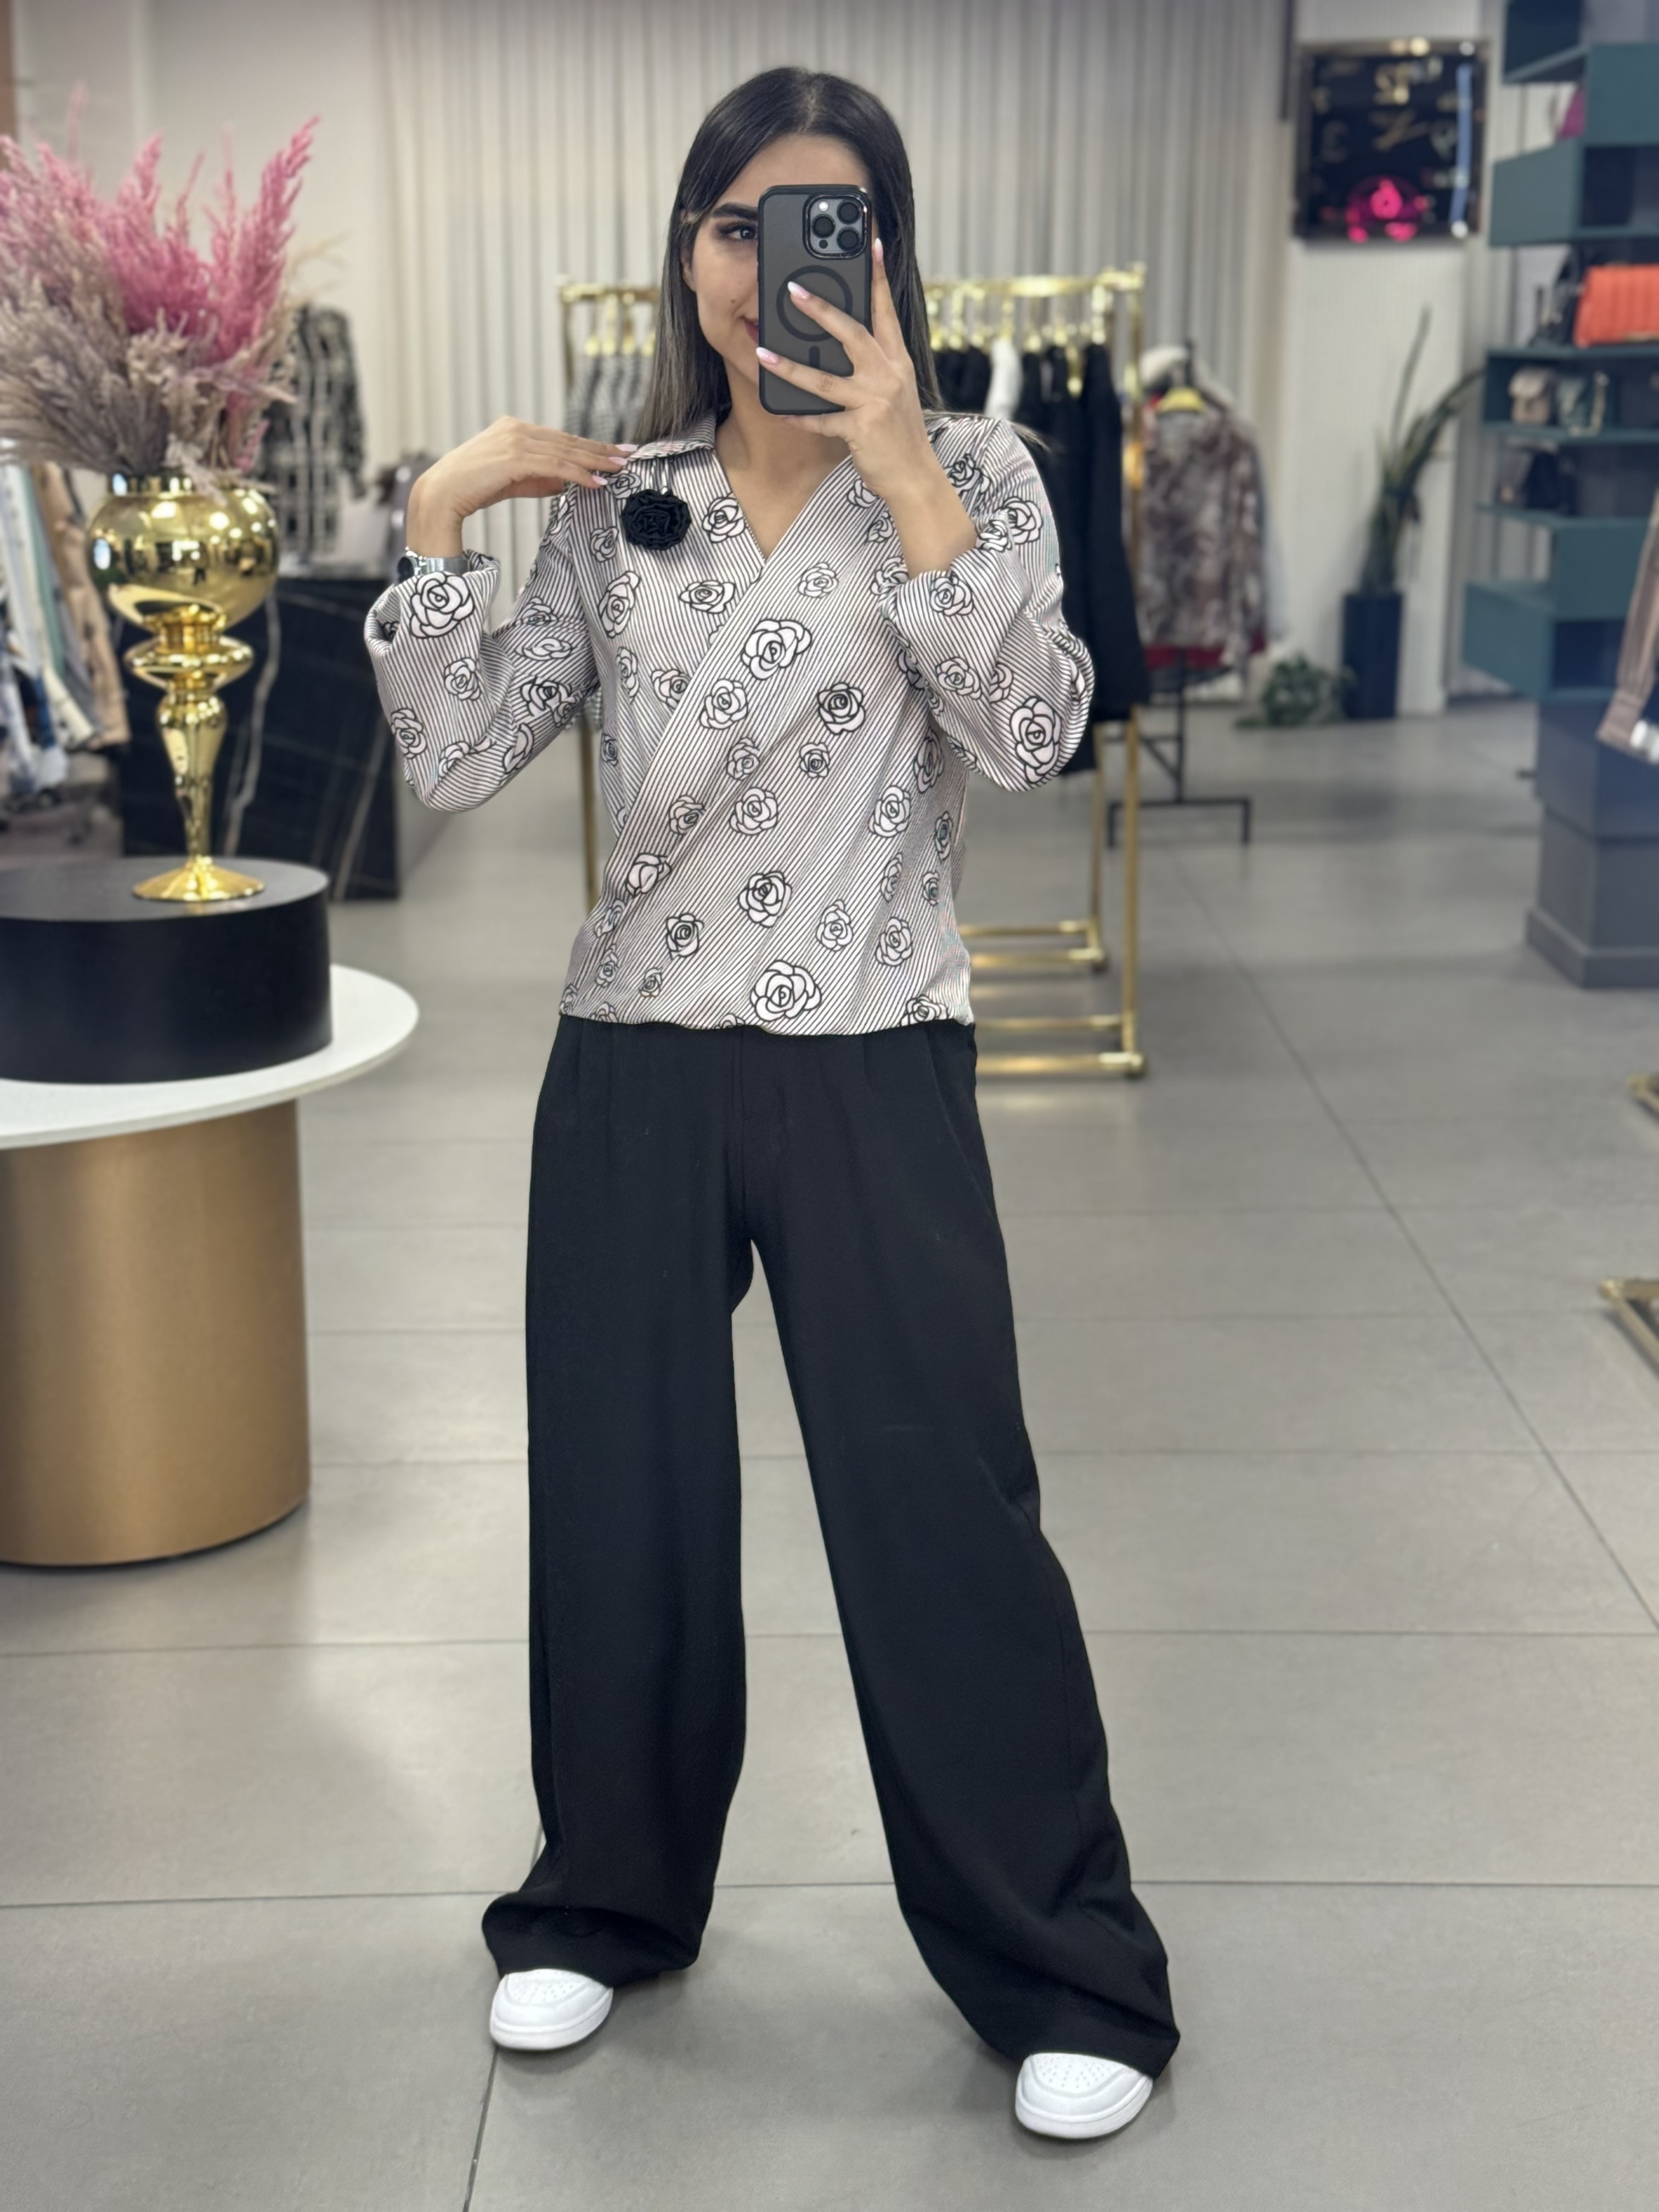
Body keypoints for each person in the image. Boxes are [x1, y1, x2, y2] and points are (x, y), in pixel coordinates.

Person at [364, 64, 1178, 2143]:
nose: (770, 266)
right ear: (692, 252)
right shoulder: (616, 500)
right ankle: (607, 1896)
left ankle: (1060, 1958)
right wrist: (441, 522)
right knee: (618, 1499)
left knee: (942, 1509)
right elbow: (456, 761)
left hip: (874, 1054)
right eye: (737, 224)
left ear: (885, 257)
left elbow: (1035, 736)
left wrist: (901, 463)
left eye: (824, 225)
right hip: (632, 1060)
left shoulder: (981, 471)